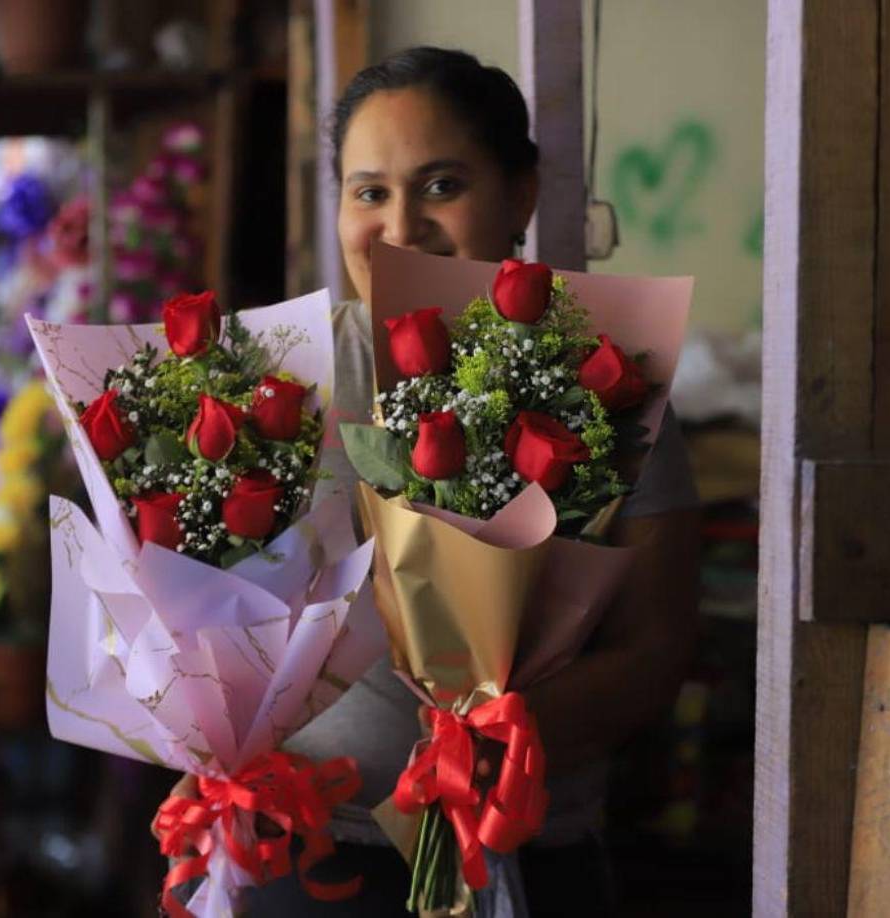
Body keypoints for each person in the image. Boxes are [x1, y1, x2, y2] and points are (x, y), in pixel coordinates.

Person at [172, 46, 701, 917]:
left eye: (443, 185)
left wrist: (497, 739)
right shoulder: (271, 380)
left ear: (521, 194)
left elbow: (658, 645)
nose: (401, 226)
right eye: (369, 191)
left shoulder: (606, 380)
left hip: (518, 857)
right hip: (297, 854)